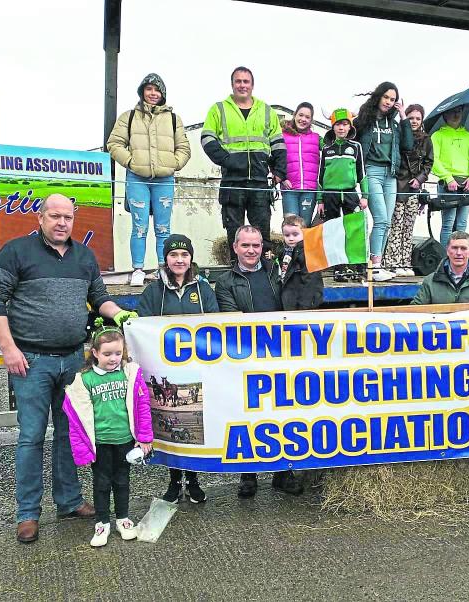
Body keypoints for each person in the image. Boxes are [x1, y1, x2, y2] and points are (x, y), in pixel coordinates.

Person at [0, 194, 138, 544]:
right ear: (40, 218)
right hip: (31, 361)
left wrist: (121, 315)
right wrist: (8, 348)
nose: (62, 223)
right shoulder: (17, 252)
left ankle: (69, 501)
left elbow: (99, 298)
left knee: (71, 433)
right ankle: (28, 513)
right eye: (54, 216)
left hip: (72, 360)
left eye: (67, 217)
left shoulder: (84, 256)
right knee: (31, 436)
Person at [214, 225, 303, 497]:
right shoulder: (225, 282)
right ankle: (248, 475)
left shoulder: (277, 272)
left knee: (283, 414)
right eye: (245, 245)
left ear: (262, 247)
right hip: (246, 358)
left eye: (256, 245)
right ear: (235, 247)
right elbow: (231, 319)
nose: (251, 250)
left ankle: (283, 472)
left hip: (280, 355)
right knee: (247, 415)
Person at [137, 234, 219, 504]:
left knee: (194, 424)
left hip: (197, 368)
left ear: (191, 258)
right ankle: (174, 481)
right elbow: (142, 327)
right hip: (166, 369)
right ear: (166, 258)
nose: (179, 260)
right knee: (170, 425)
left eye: (184, 255)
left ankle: (193, 480)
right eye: (174, 255)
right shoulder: (153, 291)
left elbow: (216, 324)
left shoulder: (203, 289)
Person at [63, 321, 153, 547]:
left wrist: (144, 438)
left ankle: (123, 519)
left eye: (118, 353)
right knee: (101, 483)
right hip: (100, 443)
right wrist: (82, 450)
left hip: (125, 440)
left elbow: (142, 406)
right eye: (107, 354)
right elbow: (77, 419)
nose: (113, 358)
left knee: (122, 481)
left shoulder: (130, 374)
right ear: (94, 353)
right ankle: (102, 522)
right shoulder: (84, 380)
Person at [107, 73, 191, 286]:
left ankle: (163, 268)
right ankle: (138, 269)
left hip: (164, 179)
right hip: (137, 178)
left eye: (157, 90)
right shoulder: (129, 117)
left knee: (163, 228)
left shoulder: (173, 119)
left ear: (163, 94)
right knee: (139, 226)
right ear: (142, 91)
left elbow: (184, 148)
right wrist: (131, 161)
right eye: (149, 89)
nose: (153, 93)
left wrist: (174, 163)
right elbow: (114, 143)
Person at [201, 66, 287, 259]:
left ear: (252, 85)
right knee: (234, 231)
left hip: (259, 181)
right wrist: (227, 160)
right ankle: (236, 269)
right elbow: (207, 139)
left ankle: (264, 268)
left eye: (246, 81)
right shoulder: (218, 109)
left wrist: (280, 171)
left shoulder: (266, 110)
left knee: (262, 230)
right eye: (238, 81)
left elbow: (278, 143)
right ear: (232, 84)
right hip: (232, 181)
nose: (242, 85)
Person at [353, 82, 414, 282]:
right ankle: (374, 267)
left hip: (391, 174)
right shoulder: (365, 121)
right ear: (378, 96)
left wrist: (403, 116)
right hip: (372, 171)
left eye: (392, 99)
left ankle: (376, 265)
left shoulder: (394, 125)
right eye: (386, 97)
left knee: (387, 222)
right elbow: (351, 138)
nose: (388, 102)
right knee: (380, 219)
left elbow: (408, 145)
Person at [317, 108, 369, 281]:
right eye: (338, 124)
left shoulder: (356, 147)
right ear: (333, 127)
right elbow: (320, 177)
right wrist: (320, 199)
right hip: (330, 195)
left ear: (350, 127)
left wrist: (365, 196)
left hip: (350, 193)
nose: (341, 128)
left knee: (354, 230)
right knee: (334, 231)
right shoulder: (326, 149)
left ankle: (359, 268)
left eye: (345, 124)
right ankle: (339, 269)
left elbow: (362, 173)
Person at [383, 103, 433, 277]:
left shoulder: (426, 139)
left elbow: (428, 163)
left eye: (418, 118)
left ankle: (405, 262)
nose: (414, 121)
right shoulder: (398, 135)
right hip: (398, 184)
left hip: (414, 187)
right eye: (411, 118)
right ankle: (392, 262)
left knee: (408, 226)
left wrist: (420, 179)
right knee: (396, 225)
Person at [430, 105, 469, 249]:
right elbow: (434, 160)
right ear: (445, 115)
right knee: (448, 223)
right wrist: (448, 177)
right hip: (448, 184)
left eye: (459, 112)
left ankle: (461, 254)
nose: (456, 115)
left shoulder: (467, 135)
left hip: (466, 184)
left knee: (462, 224)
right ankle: (445, 256)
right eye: (452, 112)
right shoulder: (437, 136)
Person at [411, 231, 469, 305]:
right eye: (454, 248)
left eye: (463, 248)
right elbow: (415, 311)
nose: (458, 253)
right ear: (447, 251)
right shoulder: (430, 281)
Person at [281, 102, 321, 226]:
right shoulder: (282, 136)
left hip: (310, 189)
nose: (303, 119)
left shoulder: (317, 138)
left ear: (311, 120)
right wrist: (282, 177)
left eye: (307, 117)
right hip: (289, 189)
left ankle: (305, 241)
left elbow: (332, 150)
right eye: (301, 115)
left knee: (304, 226)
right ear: (295, 115)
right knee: (291, 225)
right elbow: (274, 158)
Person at [279, 214, 323, 310]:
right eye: (287, 235)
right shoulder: (284, 252)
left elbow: (311, 283)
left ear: (304, 233)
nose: (291, 238)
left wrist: (304, 307)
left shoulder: (308, 254)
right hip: (289, 299)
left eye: (295, 234)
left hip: (302, 304)